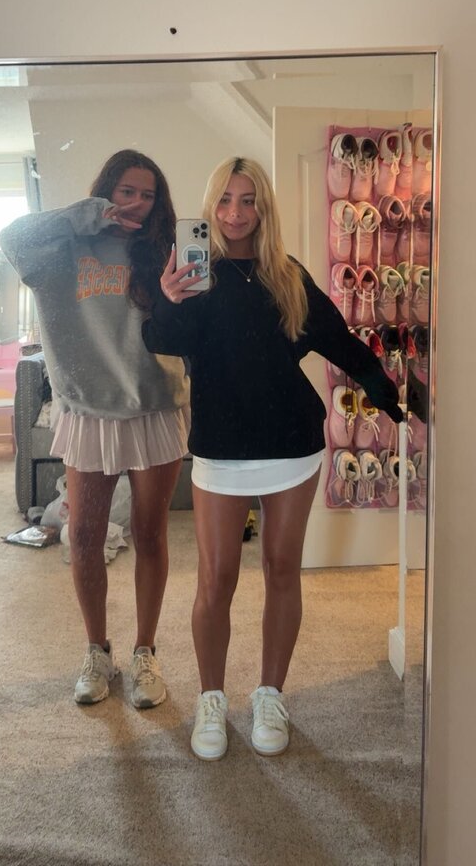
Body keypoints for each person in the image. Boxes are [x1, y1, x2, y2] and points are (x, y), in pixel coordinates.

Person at [142, 156, 402, 761]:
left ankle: (269, 694)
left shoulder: (287, 276)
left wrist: (392, 397)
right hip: (220, 447)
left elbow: (339, 342)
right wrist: (169, 298)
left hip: (291, 443)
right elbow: (162, 340)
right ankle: (211, 698)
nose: (235, 213)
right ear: (211, 206)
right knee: (216, 580)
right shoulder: (193, 274)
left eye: (248, 200)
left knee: (282, 571)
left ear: (264, 208)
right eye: (225, 200)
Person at [0, 150, 189, 708]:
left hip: (154, 403)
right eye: (126, 191)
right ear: (105, 191)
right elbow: (11, 237)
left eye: (147, 195)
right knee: (83, 535)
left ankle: (145, 651)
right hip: (87, 408)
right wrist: (84, 216)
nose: (137, 204)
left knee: (151, 533)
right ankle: (96, 650)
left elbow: (190, 328)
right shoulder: (60, 250)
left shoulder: (162, 250)